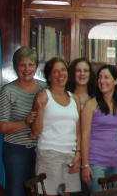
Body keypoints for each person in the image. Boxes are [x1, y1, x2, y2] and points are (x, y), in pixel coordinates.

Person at [0, 47, 47, 196]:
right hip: (16, 151)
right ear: (15, 67)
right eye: (22, 65)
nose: (27, 69)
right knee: (16, 192)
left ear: (36, 66)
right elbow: (1, 127)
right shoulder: (8, 91)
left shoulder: (45, 88)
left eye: (31, 65)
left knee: (40, 191)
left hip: (42, 150)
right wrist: (25, 123)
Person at [30, 57, 81, 195]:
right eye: (55, 72)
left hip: (70, 156)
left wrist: (78, 154)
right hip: (49, 154)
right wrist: (40, 108)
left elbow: (78, 132)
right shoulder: (43, 96)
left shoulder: (74, 98)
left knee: (66, 194)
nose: (60, 75)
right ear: (49, 76)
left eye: (63, 70)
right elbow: (35, 132)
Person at [81, 65, 117, 193]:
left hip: (116, 162)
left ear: (115, 81)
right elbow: (85, 136)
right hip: (95, 162)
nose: (102, 81)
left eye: (106, 77)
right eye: (99, 77)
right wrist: (85, 165)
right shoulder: (91, 104)